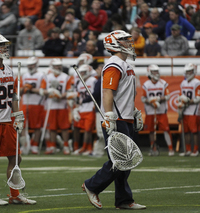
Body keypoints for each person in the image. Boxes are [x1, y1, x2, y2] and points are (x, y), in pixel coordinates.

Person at [82, 30, 146, 210]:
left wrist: (133, 111)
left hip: (125, 117)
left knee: (126, 161)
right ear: (115, 44)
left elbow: (123, 94)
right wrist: (109, 115)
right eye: (125, 40)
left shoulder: (124, 64)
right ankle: (92, 185)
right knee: (120, 161)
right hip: (116, 118)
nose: (129, 43)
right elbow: (108, 91)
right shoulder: (114, 64)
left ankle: (123, 200)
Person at [0, 34, 36, 205]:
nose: (4, 48)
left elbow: (13, 95)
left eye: (4, 45)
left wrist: (17, 115)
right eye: (0, 45)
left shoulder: (8, 69)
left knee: (16, 158)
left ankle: (14, 194)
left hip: (7, 121)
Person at [39, 58, 72, 155]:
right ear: (52, 67)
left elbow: (69, 91)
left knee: (64, 127)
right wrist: (50, 92)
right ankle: (52, 146)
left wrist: (60, 96)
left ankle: (66, 146)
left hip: (62, 105)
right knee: (52, 128)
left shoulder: (66, 77)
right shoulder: (47, 77)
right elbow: (42, 90)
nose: (58, 67)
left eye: (59, 66)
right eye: (56, 66)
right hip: (50, 105)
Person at [141, 64, 174, 156]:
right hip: (150, 111)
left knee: (166, 129)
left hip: (161, 111)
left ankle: (170, 148)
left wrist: (158, 99)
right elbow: (143, 98)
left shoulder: (163, 83)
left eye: (157, 71)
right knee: (151, 130)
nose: (156, 73)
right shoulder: (146, 85)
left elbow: (167, 96)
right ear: (150, 73)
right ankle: (153, 148)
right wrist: (151, 102)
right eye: (154, 72)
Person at [20, 56, 45, 154]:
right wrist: (24, 88)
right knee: (22, 125)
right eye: (29, 65)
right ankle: (25, 145)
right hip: (25, 102)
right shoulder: (23, 75)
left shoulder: (41, 75)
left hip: (37, 103)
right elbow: (18, 89)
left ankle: (35, 145)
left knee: (37, 126)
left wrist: (31, 89)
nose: (30, 67)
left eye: (32, 65)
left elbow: (43, 90)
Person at [72, 64, 97, 155]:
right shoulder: (79, 82)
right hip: (81, 109)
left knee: (88, 130)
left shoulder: (93, 81)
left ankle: (87, 148)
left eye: (83, 72)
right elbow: (77, 96)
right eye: (81, 72)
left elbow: (96, 94)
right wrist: (76, 108)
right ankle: (77, 147)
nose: (82, 74)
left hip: (90, 108)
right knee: (77, 127)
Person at [178, 63, 200, 157]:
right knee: (186, 131)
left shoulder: (197, 82)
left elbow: (198, 98)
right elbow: (181, 96)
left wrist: (187, 101)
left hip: (193, 110)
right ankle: (187, 150)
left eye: (189, 71)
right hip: (185, 110)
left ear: (193, 71)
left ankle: (195, 150)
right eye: (186, 71)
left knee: (194, 131)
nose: (187, 73)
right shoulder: (183, 83)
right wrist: (182, 102)